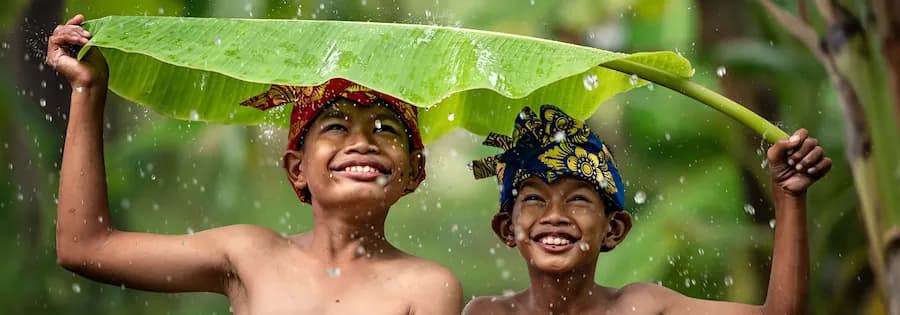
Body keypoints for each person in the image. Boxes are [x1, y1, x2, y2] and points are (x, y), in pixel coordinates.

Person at [47, 14, 462, 315]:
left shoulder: (428, 286)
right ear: (296, 167)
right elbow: (86, 247)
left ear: (413, 169)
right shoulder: (250, 255)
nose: (362, 142)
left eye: (385, 128)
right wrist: (87, 90)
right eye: (336, 126)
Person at [463, 104, 830, 315]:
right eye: (533, 198)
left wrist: (788, 196)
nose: (554, 214)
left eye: (578, 199)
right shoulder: (486, 314)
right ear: (508, 229)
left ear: (614, 228)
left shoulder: (642, 308)